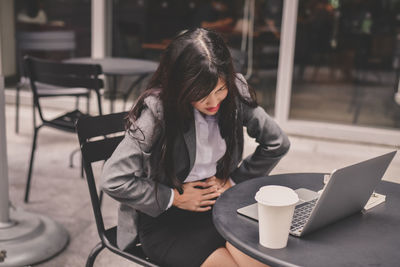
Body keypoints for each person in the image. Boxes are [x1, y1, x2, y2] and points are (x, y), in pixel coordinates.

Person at [101, 28, 290, 267]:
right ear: (181, 85)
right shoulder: (158, 111)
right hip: (167, 221)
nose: (213, 103)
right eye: (201, 95)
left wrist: (233, 181)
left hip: (218, 208)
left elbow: (277, 142)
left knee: (264, 263)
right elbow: (113, 178)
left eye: (220, 90)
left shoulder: (234, 94)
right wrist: (173, 197)